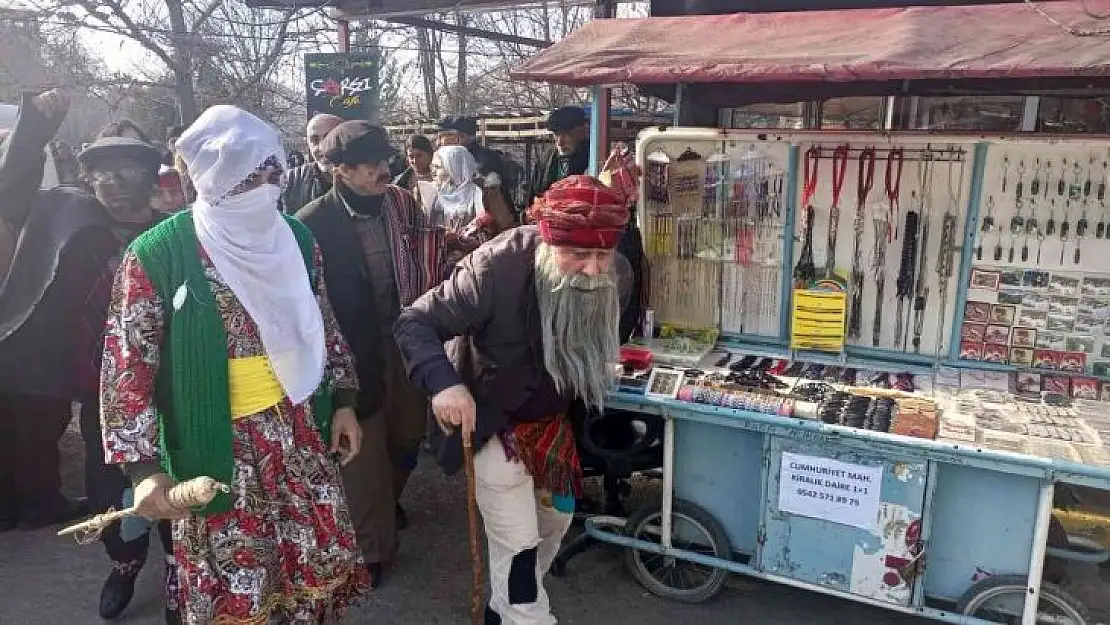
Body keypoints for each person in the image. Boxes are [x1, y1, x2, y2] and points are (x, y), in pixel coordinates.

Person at [99, 104, 370, 624]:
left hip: (298, 435)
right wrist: (145, 470)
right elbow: (126, 367)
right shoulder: (159, 253)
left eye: (274, 174)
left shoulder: (295, 238)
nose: (266, 188)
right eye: (249, 177)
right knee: (238, 589)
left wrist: (343, 402)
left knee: (309, 575)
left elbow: (322, 324)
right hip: (217, 447)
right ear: (212, 178)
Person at [394, 175, 633, 625]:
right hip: (492, 417)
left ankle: (505, 608)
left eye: (601, 255)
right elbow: (414, 322)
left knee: (555, 524)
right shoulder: (496, 267)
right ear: (547, 239)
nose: (592, 269)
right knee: (518, 543)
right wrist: (445, 385)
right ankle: (526, 613)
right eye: (577, 255)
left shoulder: (614, 274)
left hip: (552, 422)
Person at [296, 120, 431, 587]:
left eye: (385, 160)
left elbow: (427, 257)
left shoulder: (401, 204)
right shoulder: (312, 223)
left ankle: (387, 504)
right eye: (371, 163)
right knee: (364, 450)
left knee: (408, 437)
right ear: (342, 170)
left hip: (407, 338)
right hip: (351, 349)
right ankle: (370, 548)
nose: (383, 169)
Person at [0, 90, 92, 533]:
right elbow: (14, 171)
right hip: (15, 334)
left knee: (33, 420)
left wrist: (35, 126)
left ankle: (31, 499)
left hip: (21, 334)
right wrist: (34, 124)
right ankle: (29, 500)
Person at [415, 145, 515, 280]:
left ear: (455, 168)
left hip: (478, 270)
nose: (432, 172)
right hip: (438, 271)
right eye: (432, 167)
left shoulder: (485, 195)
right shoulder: (429, 196)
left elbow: (507, 232)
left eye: (438, 167)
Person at [436, 116, 517, 214]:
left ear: (460, 137)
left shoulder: (483, 161)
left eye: (443, 137)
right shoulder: (448, 159)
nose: (439, 142)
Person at [527, 107, 589, 209]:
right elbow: (533, 197)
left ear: (582, 132)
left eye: (567, 134)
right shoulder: (546, 159)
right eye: (556, 135)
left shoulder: (593, 157)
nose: (560, 143)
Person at [282, 113, 343, 214]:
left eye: (329, 139)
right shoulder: (290, 181)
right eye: (314, 140)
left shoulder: (368, 178)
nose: (321, 147)